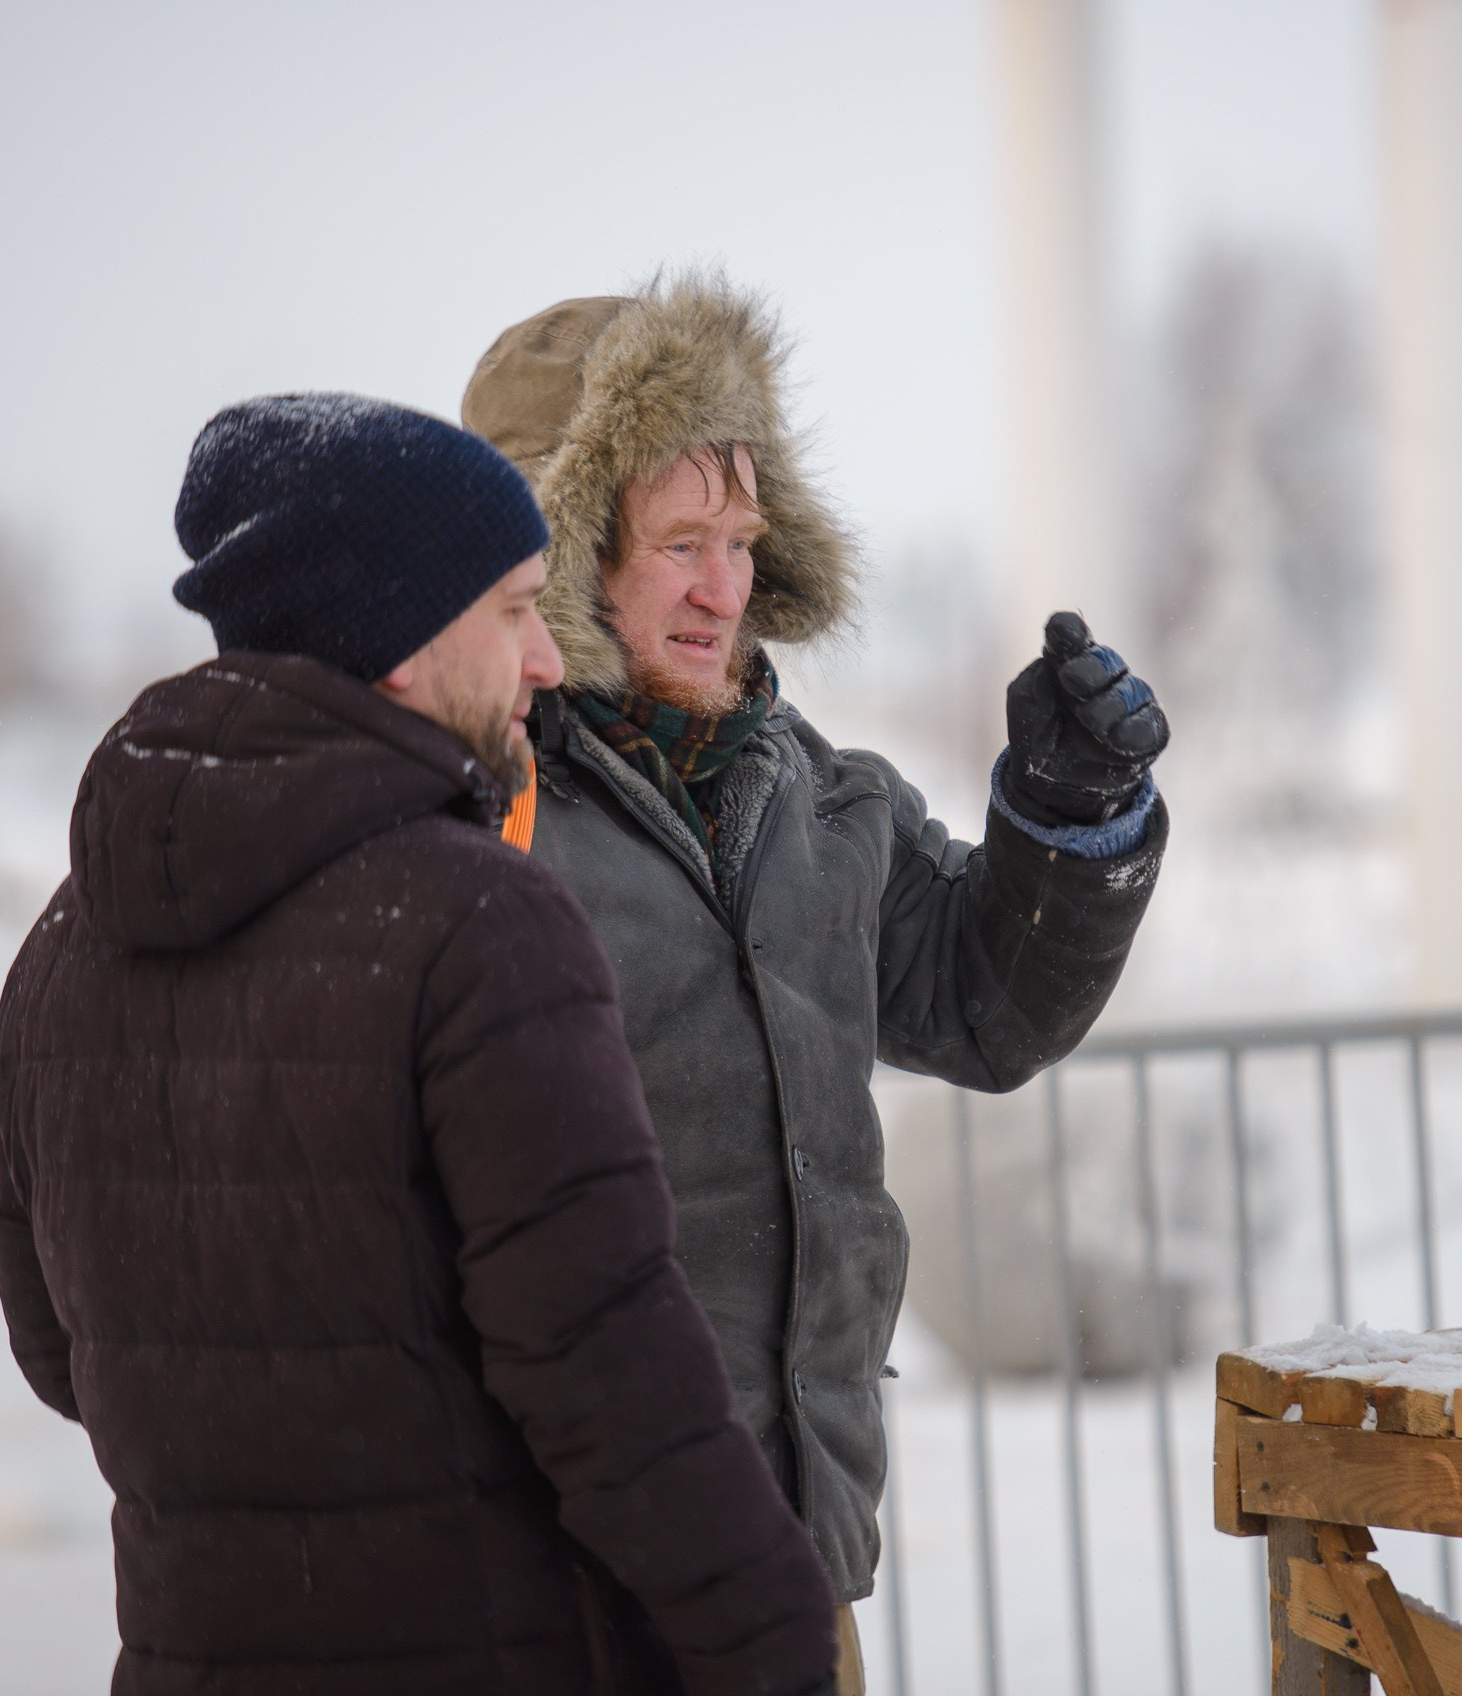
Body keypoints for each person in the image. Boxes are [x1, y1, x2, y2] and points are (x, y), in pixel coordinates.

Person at [0, 393, 836, 1696]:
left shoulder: (63, 943)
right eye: (512, 612)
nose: (545, 663)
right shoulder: (480, 926)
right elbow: (616, 1390)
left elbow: (60, 1350)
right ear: (394, 638)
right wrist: (780, 1648)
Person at [461, 279, 1170, 1683]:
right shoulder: (477, 813)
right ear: (556, 538)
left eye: (741, 536)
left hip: (790, 1551)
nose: (724, 588)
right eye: (678, 542)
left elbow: (985, 1001)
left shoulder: (814, 798)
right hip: (555, 1575)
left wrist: (1064, 816)